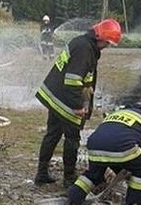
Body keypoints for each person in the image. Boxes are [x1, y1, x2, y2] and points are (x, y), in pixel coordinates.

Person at [34, 18, 122, 187]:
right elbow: (73, 80)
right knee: (72, 139)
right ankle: (69, 178)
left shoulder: (82, 42)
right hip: (67, 100)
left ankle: (42, 173)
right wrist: (78, 106)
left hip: (56, 96)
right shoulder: (85, 49)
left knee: (52, 135)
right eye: (108, 43)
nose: (108, 46)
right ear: (101, 38)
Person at [58, 102, 141, 205]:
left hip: (94, 146)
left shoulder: (116, 114)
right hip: (121, 147)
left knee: (92, 175)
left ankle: (71, 201)